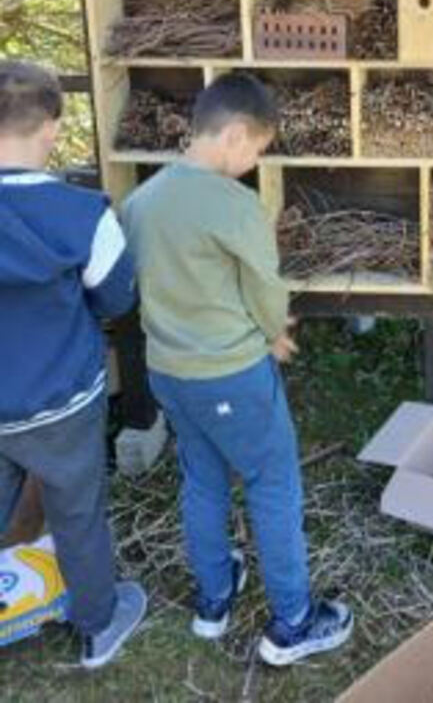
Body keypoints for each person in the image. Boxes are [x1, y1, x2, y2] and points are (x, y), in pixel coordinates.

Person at [122, 73, 352, 666]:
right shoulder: (235, 206)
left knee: (201, 479)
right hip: (229, 373)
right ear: (233, 135)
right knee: (272, 483)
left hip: (167, 371)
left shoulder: (142, 201)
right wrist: (275, 333)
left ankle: (213, 600)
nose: (254, 164)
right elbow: (266, 288)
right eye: (257, 150)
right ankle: (294, 622)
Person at [0, 60, 146, 669]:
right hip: (61, 402)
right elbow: (117, 298)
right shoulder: (83, 214)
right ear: (53, 127)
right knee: (78, 514)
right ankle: (98, 621)